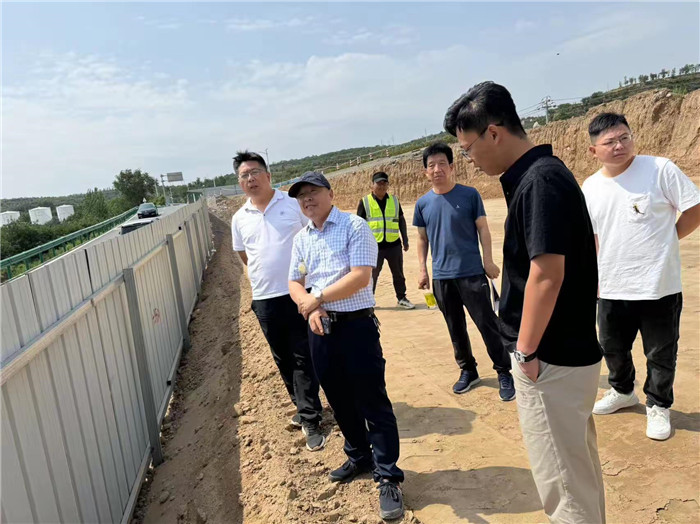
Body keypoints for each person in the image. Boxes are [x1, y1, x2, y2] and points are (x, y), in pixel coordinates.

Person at [444, 81, 605, 523]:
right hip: (564, 353)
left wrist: (527, 351)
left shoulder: (539, 181)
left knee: (564, 485)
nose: (470, 161)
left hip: (549, 358)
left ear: (494, 133)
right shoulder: (543, 174)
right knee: (577, 471)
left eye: (468, 149)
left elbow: (547, 274)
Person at [288, 172, 404, 521]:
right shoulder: (302, 237)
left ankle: (388, 476)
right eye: (301, 196)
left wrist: (318, 298)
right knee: (338, 398)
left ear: (331, 194)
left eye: (313, 192)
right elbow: (295, 282)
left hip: (356, 327)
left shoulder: (355, 226)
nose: (307, 199)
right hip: (320, 329)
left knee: (372, 400)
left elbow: (360, 276)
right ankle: (359, 455)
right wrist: (310, 307)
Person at [583, 113, 700, 441]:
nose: (619, 146)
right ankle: (622, 391)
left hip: (658, 284)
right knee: (611, 346)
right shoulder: (590, 187)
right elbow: (594, 236)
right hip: (611, 285)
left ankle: (658, 404)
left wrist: (668, 239)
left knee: (660, 352)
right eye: (609, 142)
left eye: (625, 137)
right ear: (593, 151)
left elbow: (694, 208)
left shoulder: (659, 169)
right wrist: (594, 276)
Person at [230, 151, 325, 452]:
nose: (250, 179)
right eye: (244, 175)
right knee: (282, 358)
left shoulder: (291, 204)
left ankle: (311, 418)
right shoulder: (239, 218)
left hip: (297, 293)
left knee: (302, 355)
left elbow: (313, 236)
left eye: (255, 172)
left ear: (268, 175)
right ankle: (302, 405)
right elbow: (244, 255)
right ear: (240, 183)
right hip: (264, 298)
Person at [413, 141, 514, 401]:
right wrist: (423, 270)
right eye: (431, 165)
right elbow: (422, 239)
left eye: (442, 164)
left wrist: (488, 261)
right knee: (454, 327)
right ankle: (468, 369)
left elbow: (483, 229)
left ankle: (504, 370)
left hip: (471, 274)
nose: (437, 169)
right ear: (425, 172)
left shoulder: (469, 195)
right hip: (442, 277)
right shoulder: (423, 204)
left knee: (487, 324)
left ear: (452, 167)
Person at [356, 171, 415, 309]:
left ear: (388, 185)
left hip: (394, 245)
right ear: (372, 185)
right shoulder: (365, 202)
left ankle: (402, 298)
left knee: (398, 273)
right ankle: (368, 301)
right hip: (374, 247)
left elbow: (401, 220)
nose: (382, 186)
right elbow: (358, 225)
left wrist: (405, 239)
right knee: (372, 275)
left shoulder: (394, 200)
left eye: (384, 183)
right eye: (379, 183)